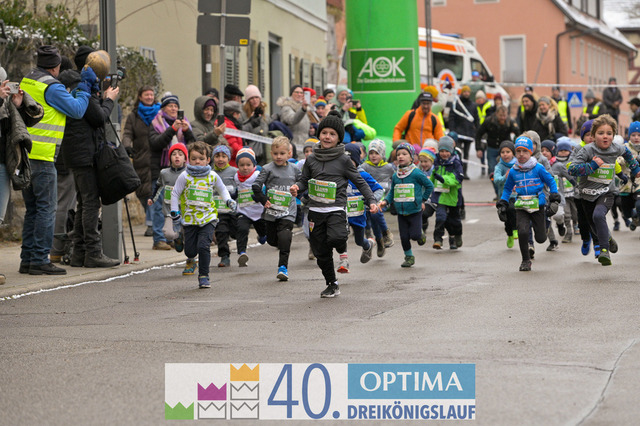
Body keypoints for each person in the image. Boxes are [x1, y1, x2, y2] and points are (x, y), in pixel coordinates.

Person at [19, 45, 91, 275]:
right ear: (56, 66)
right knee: (46, 209)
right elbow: (77, 110)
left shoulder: (28, 80)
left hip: (24, 156)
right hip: (43, 156)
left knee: (32, 210)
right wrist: (85, 87)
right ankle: (40, 259)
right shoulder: (52, 86)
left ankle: (27, 259)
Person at [290, 112, 378, 298]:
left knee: (336, 239)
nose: (327, 137)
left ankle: (342, 242)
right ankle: (332, 283)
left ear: (339, 138)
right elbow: (304, 180)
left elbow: (360, 181)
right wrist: (297, 187)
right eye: (324, 133)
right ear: (319, 135)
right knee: (321, 252)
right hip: (315, 210)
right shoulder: (311, 159)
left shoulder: (344, 160)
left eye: (332, 134)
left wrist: (371, 200)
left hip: (336, 208)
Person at [62, 62, 121, 268]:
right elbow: (99, 118)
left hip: (77, 154)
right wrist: (109, 100)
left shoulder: (75, 91)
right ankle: (93, 253)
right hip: (85, 155)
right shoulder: (82, 92)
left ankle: (79, 253)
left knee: (84, 202)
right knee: (91, 204)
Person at [568, 114, 640, 265]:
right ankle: (607, 238)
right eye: (601, 133)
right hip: (587, 194)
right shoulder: (587, 150)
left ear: (614, 135)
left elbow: (627, 154)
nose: (605, 136)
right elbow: (572, 169)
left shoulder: (616, 148)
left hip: (607, 191)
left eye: (609, 133)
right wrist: (592, 166)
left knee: (598, 215)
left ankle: (604, 251)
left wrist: (635, 169)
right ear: (593, 135)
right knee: (594, 225)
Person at [170, 141, 236, 289]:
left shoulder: (212, 176)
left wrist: (228, 201)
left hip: (208, 217)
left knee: (203, 246)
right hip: (189, 219)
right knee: (190, 251)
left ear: (208, 160)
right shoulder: (184, 176)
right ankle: (188, 250)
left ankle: (204, 276)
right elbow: (175, 193)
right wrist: (175, 211)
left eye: (201, 158)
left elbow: (222, 189)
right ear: (189, 160)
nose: (197, 162)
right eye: (194, 158)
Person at [0, 63, 43, 283]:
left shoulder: (6, 102)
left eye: (4, 83)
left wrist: (18, 104)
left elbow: (27, 123)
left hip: (3, 164)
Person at [496, 135, 560, 271]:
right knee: (523, 232)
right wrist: (503, 203)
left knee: (541, 238)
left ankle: (545, 226)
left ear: (531, 152)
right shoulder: (513, 171)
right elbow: (507, 189)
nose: (521, 154)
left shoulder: (538, 168)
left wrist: (554, 197)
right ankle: (525, 260)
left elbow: (551, 181)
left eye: (525, 151)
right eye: (518, 151)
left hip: (538, 205)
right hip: (522, 206)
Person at [149, 92, 195, 250]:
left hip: (181, 172)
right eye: (170, 106)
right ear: (163, 108)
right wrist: (172, 130)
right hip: (161, 170)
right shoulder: (156, 122)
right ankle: (159, 239)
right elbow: (155, 143)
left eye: (176, 106)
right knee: (159, 207)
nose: (174, 108)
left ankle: (174, 236)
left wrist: (187, 131)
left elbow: (193, 146)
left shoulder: (185, 123)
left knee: (178, 205)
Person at [252, 136, 301, 281]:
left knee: (285, 237)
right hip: (271, 212)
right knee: (273, 241)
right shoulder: (267, 169)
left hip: (288, 211)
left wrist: (297, 189)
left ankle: (283, 267)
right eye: (275, 153)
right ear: (271, 153)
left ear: (289, 154)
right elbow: (256, 186)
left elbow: (302, 183)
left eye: (282, 153)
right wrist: (263, 199)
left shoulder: (294, 169)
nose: (278, 156)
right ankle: (276, 241)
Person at [379, 142, 434, 266]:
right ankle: (409, 257)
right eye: (398, 154)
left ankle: (420, 234)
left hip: (415, 210)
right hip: (401, 212)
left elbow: (429, 186)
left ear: (412, 157)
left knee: (415, 235)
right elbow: (392, 191)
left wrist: (423, 200)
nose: (400, 156)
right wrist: (385, 201)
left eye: (404, 154)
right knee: (404, 237)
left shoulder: (416, 173)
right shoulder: (395, 176)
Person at [148, 143, 194, 273]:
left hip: (186, 211)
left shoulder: (189, 173)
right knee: (168, 233)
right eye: (174, 154)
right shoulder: (164, 173)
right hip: (170, 211)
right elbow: (158, 186)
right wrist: (152, 198)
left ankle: (191, 260)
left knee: (189, 239)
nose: (177, 157)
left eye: (180, 154)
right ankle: (177, 237)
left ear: (185, 159)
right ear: (170, 158)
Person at [122, 85, 160, 237]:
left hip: (157, 158)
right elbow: (127, 133)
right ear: (140, 97)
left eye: (151, 94)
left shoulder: (160, 113)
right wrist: (127, 146)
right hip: (141, 158)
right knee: (142, 192)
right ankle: (151, 219)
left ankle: (152, 224)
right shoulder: (133, 116)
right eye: (146, 95)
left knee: (154, 191)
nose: (149, 97)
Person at [340, 143, 384, 269]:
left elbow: (379, 189)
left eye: (350, 161)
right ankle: (343, 261)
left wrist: (371, 201)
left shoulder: (363, 175)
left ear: (356, 161)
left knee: (359, 241)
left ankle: (368, 245)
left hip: (358, 214)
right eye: (344, 160)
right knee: (341, 236)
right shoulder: (338, 175)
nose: (347, 163)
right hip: (342, 214)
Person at [475, 105, 519, 198]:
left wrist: (517, 146)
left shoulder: (510, 122)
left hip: (506, 149)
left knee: (507, 171)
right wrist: (479, 148)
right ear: (496, 114)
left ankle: (506, 192)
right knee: (492, 171)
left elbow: (518, 133)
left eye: (504, 116)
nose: (503, 118)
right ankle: (498, 192)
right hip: (492, 149)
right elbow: (478, 134)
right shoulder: (489, 121)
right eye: (500, 116)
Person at [234, 147, 267, 267]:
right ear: (237, 165)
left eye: (248, 165)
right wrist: (233, 196)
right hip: (244, 210)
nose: (245, 168)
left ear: (254, 165)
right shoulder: (236, 177)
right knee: (242, 229)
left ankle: (262, 236)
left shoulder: (257, 175)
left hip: (258, 211)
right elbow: (237, 190)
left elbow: (264, 190)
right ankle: (242, 253)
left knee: (263, 232)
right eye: (241, 165)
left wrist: (258, 197)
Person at [360, 139, 395, 252]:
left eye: (377, 153)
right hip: (369, 198)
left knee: (376, 214)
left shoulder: (389, 168)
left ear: (383, 154)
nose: (373, 156)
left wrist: (390, 197)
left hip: (383, 198)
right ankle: (379, 240)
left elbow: (394, 180)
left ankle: (385, 233)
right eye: (371, 153)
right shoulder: (364, 167)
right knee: (373, 220)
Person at [430, 136, 464, 250]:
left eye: (446, 151)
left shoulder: (456, 163)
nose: (444, 154)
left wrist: (444, 179)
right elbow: (433, 177)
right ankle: (438, 239)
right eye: (442, 151)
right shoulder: (436, 162)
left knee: (454, 221)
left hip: (453, 196)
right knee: (440, 217)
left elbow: (458, 178)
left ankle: (456, 236)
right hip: (440, 196)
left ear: (451, 151)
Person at [212, 145, 238, 268]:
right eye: (217, 156)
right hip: (219, 211)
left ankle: (240, 246)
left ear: (228, 158)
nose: (220, 159)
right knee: (221, 232)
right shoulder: (210, 173)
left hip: (233, 211)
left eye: (223, 156)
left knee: (235, 232)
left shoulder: (234, 172)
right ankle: (224, 256)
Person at [447, 86, 478, 177]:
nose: (466, 93)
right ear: (462, 92)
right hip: (458, 133)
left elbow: (476, 119)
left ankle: (465, 172)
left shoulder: (473, 105)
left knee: (466, 155)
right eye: (465, 92)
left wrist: (476, 131)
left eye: (468, 92)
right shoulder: (456, 104)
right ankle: (458, 171)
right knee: (458, 152)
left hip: (469, 133)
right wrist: (452, 131)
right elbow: (452, 118)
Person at [492, 141, 518, 248]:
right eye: (503, 152)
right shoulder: (499, 166)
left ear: (513, 153)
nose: (505, 154)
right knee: (506, 218)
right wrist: (505, 177)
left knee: (513, 210)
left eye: (508, 152)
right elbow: (496, 180)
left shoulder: (518, 164)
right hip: (504, 196)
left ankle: (516, 229)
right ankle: (510, 234)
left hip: (516, 195)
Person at [554, 137, 578, 244]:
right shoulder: (554, 164)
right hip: (562, 195)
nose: (563, 152)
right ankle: (569, 233)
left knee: (575, 213)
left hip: (574, 193)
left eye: (566, 150)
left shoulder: (572, 162)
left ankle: (576, 224)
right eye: (561, 150)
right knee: (567, 215)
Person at [277, 85, 310, 158]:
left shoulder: (303, 107)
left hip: (304, 145)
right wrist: (302, 109)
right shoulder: (286, 107)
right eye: (297, 92)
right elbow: (292, 120)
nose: (299, 94)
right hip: (293, 146)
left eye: (301, 93)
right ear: (291, 93)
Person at [241, 85, 270, 164]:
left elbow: (265, 131)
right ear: (248, 100)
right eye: (252, 98)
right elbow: (242, 130)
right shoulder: (243, 114)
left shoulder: (264, 114)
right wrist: (251, 121)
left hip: (264, 150)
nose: (255, 100)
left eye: (257, 97)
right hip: (251, 150)